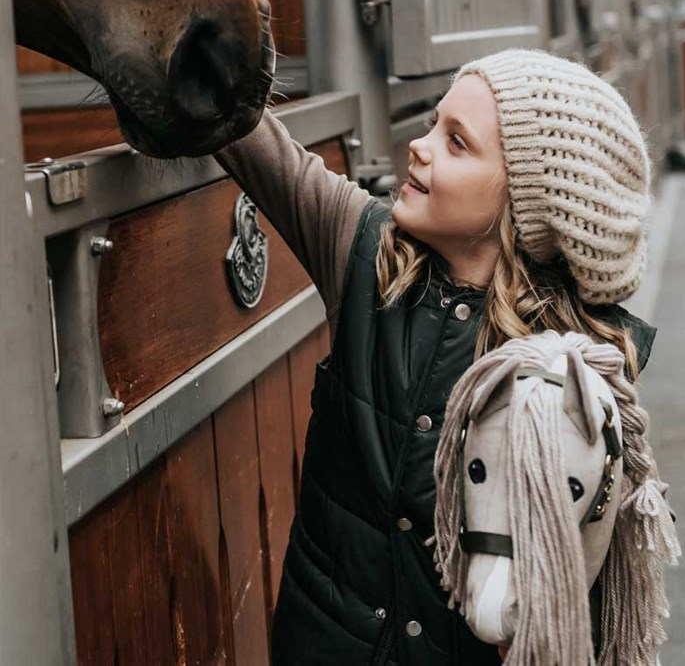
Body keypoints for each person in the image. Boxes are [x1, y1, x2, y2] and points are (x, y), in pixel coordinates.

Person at [215, 48, 657, 666]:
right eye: (431, 124)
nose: (420, 146)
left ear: (523, 205)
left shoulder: (566, 384)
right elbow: (250, 138)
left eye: (457, 142)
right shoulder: (361, 251)